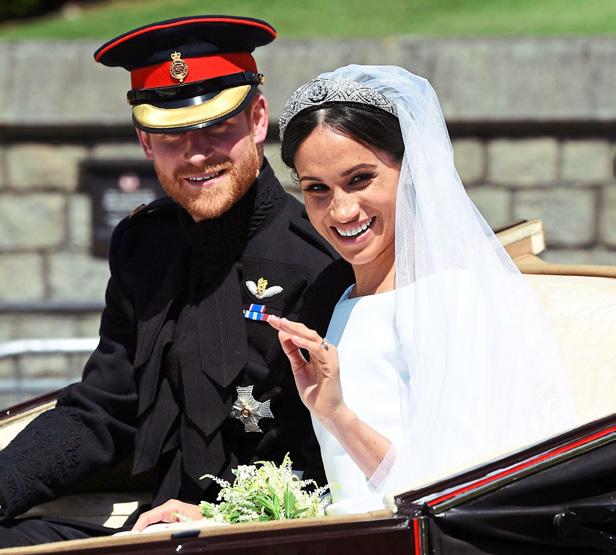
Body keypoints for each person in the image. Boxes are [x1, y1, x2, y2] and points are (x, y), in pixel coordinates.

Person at [0, 17, 352, 546]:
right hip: (156, 523)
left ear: (258, 119)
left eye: (217, 128)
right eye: (171, 136)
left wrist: (222, 518)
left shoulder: (324, 254)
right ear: (144, 141)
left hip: (277, 531)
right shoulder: (144, 246)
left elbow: (336, 447)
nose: (196, 153)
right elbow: (105, 410)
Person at [267, 65, 577, 514]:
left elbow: (454, 491)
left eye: (360, 179)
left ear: (410, 170)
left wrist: (338, 416)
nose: (341, 210)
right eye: (317, 189)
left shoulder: (450, 299)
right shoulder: (341, 303)